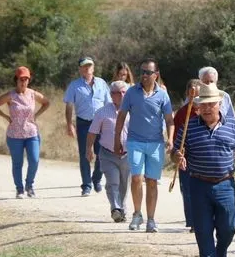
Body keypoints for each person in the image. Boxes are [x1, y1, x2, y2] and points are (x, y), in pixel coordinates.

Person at [173, 83, 235, 257]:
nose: (207, 108)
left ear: (220, 104)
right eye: (203, 105)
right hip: (198, 184)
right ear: (198, 107)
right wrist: (178, 158)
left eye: (211, 104)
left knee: (228, 227)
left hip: (225, 184)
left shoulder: (233, 126)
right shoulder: (188, 128)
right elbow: (176, 151)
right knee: (203, 229)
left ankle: (221, 255)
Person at [115, 58, 174, 233]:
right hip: (135, 141)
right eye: (142, 72)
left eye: (148, 72)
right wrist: (116, 139)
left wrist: (170, 138)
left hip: (155, 144)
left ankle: (151, 219)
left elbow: (170, 120)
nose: (144, 75)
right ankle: (136, 214)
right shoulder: (132, 92)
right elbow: (121, 116)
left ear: (156, 75)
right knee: (136, 178)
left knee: (152, 181)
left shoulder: (163, 95)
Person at [0, 66, 50, 199]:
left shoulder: (33, 94)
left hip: (31, 133)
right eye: (21, 79)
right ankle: (19, 189)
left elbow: (46, 103)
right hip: (14, 135)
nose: (24, 82)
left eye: (26, 79)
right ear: (16, 79)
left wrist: (37, 115)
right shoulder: (11, 96)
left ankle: (29, 186)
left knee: (34, 160)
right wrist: (5, 117)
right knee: (18, 163)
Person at [63, 57, 110, 196]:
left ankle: (96, 179)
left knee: (102, 153)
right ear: (80, 69)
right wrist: (69, 124)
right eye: (84, 66)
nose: (87, 68)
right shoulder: (74, 85)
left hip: (101, 123)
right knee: (85, 154)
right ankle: (86, 185)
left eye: (89, 65)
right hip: (83, 123)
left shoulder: (102, 83)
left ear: (93, 68)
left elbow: (109, 104)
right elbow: (69, 105)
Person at [87, 81, 131, 223]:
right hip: (108, 154)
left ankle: (122, 209)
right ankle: (115, 208)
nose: (122, 95)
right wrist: (88, 149)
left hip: (128, 154)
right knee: (113, 182)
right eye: (118, 92)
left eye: (124, 92)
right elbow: (92, 132)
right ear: (112, 95)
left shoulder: (134, 111)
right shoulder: (102, 112)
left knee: (124, 183)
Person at [173, 78, 204, 232]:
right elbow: (176, 137)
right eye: (191, 95)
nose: (194, 98)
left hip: (203, 156)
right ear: (187, 94)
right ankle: (192, 222)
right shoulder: (182, 113)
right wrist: (178, 152)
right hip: (186, 155)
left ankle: (204, 219)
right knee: (187, 189)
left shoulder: (207, 111)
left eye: (197, 95)